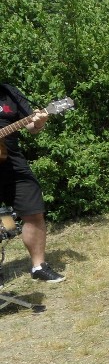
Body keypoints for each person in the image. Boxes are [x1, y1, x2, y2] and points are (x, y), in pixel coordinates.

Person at [0, 83, 65, 283]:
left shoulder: (9, 92)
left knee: (34, 211)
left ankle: (39, 267)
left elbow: (32, 127)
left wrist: (40, 121)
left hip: (13, 160)